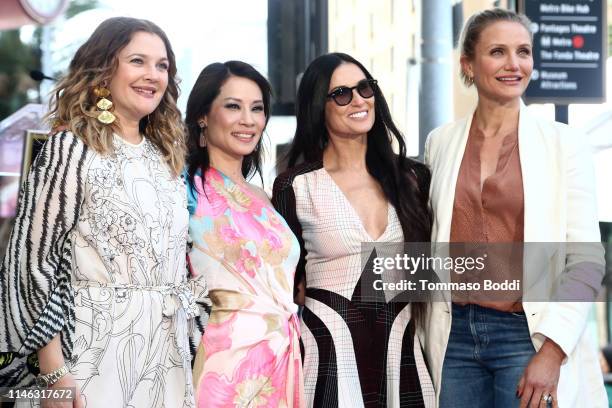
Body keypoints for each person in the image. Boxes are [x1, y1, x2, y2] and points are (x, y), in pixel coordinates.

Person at [0, 17, 206, 407]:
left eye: (162, 65)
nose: (152, 75)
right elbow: (32, 264)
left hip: (163, 355)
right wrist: (55, 373)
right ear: (103, 69)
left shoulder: (165, 158)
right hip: (88, 354)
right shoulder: (70, 148)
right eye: (138, 61)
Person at [423, 8, 606, 408]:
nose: (514, 64)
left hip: (527, 334)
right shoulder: (440, 142)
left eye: (523, 51)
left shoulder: (565, 144)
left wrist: (553, 351)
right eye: (498, 52)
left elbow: (586, 260)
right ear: (468, 64)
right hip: (452, 334)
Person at [273, 52, 435, 407]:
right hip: (329, 354)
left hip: (402, 355)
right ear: (320, 107)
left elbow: (427, 273)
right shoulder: (295, 186)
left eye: (365, 88)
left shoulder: (412, 179)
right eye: (342, 94)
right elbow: (287, 287)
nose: (359, 100)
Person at [185, 61, 304, 408]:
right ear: (203, 116)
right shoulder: (184, 190)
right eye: (233, 106)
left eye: (257, 109)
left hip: (283, 358)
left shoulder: (266, 197)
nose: (248, 120)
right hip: (222, 365)